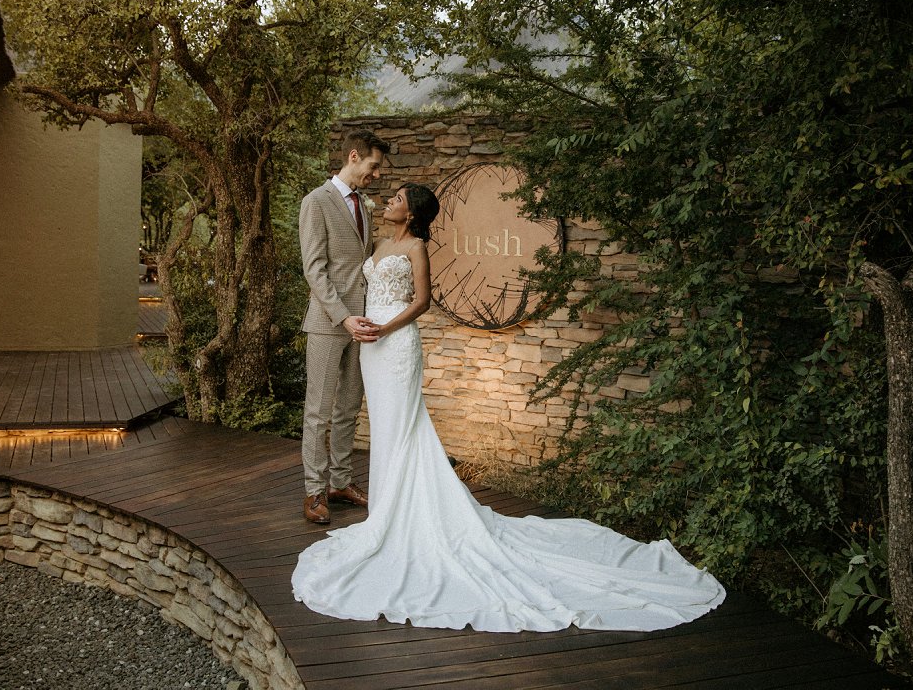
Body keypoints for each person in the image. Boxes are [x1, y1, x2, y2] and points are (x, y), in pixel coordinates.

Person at [292, 183, 727, 633]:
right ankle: (386, 512)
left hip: (396, 343)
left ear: (413, 213)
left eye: (398, 199)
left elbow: (421, 301)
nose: (390, 202)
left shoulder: (417, 248)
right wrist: (358, 324)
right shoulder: (379, 244)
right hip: (370, 347)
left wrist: (385, 329)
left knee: (403, 427)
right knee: (384, 428)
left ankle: (403, 516)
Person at [298, 129, 389, 525]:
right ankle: (314, 490)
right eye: (373, 166)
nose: (377, 174)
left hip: (362, 323)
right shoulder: (316, 202)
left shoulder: (363, 206)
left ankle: (339, 482)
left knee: (349, 407)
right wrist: (343, 316)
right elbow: (314, 270)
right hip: (328, 322)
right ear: (354, 156)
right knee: (318, 411)